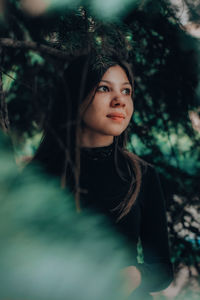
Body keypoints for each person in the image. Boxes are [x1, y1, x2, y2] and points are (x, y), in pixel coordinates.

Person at [33, 53, 174, 299]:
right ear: (77, 95)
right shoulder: (41, 174)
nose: (120, 101)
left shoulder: (142, 174)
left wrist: (136, 275)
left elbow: (163, 269)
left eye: (127, 91)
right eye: (104, 88)